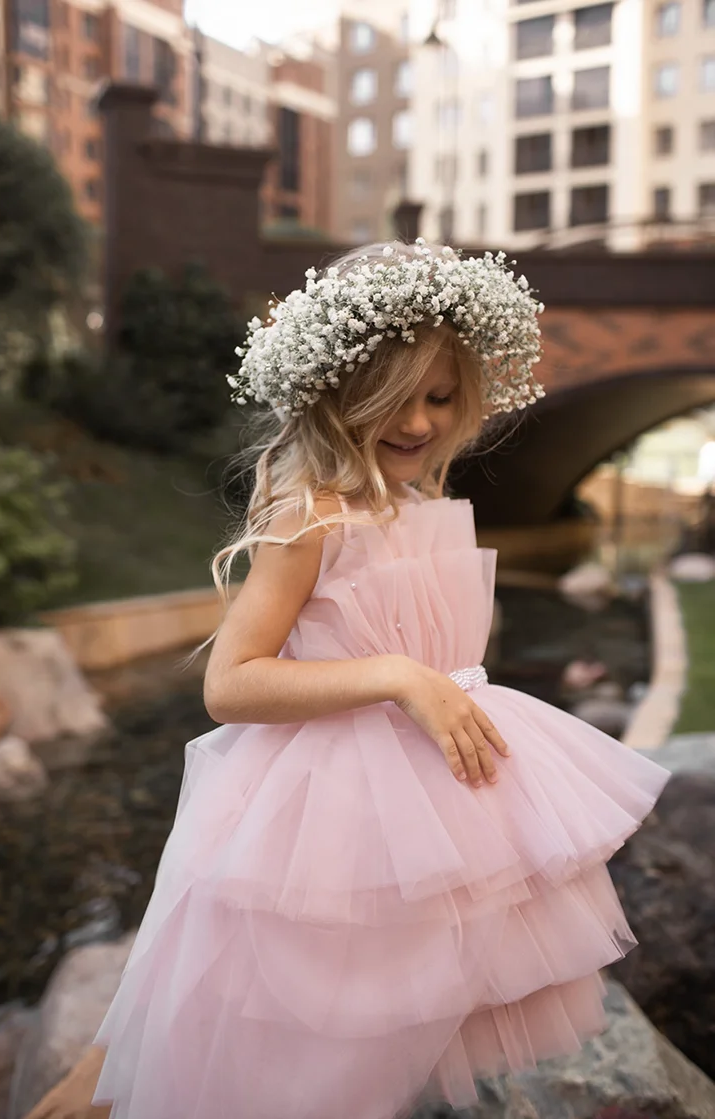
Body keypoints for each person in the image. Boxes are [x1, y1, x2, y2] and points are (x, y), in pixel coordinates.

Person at [92, 241, 669, 1119]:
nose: (419, 422)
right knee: (322, 1043)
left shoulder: (420, 507)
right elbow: (231, 683)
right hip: (337, 811)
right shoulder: (310, 513)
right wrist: (400, 675)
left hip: (438, 806)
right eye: (392, 398)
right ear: (336, 391)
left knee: (419, 1019)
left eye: (440, 396)